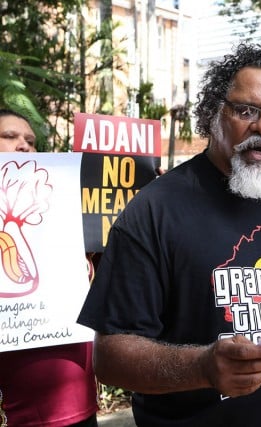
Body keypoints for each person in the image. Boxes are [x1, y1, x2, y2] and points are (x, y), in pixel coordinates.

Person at [77, 43, 261, 427]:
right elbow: (111, 358)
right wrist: (201, 366)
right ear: (214, 113)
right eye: (246, 110)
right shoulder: (154, 211)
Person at [0, 108, 99, 426]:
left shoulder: (67, 213)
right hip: (16, 411)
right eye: (9, 136)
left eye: (30, 140)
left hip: (79, 401)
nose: (24, 145)